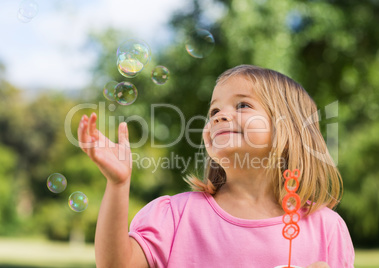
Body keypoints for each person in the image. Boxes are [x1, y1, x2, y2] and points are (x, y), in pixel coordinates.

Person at [78, 65, 355, 268]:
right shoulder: (176, 216)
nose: (221, 116)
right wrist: (118, 184)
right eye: (213, 111)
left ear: (290, 129)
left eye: (243, 105)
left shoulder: (326, 229)